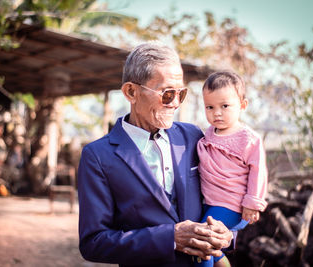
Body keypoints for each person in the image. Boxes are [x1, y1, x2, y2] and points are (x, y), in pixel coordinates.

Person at [78, 42, 233, 267]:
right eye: (167, 94)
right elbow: (93, 242)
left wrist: (227, 232)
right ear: (131, 92)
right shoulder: (98, 156)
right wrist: (169, 237)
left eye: (181, 94)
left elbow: (226, 190)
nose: (175, 104)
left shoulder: (192, 136)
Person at [194, 71, 268, 267]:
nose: (216, 113)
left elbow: (258, 171)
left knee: (204, 238)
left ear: (242, 105)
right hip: (209, 202)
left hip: (233, 205)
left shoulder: (248, 139)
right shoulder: (208, 135)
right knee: (213, 245)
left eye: (225, 106)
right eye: (210, 107)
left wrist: (252, 202)